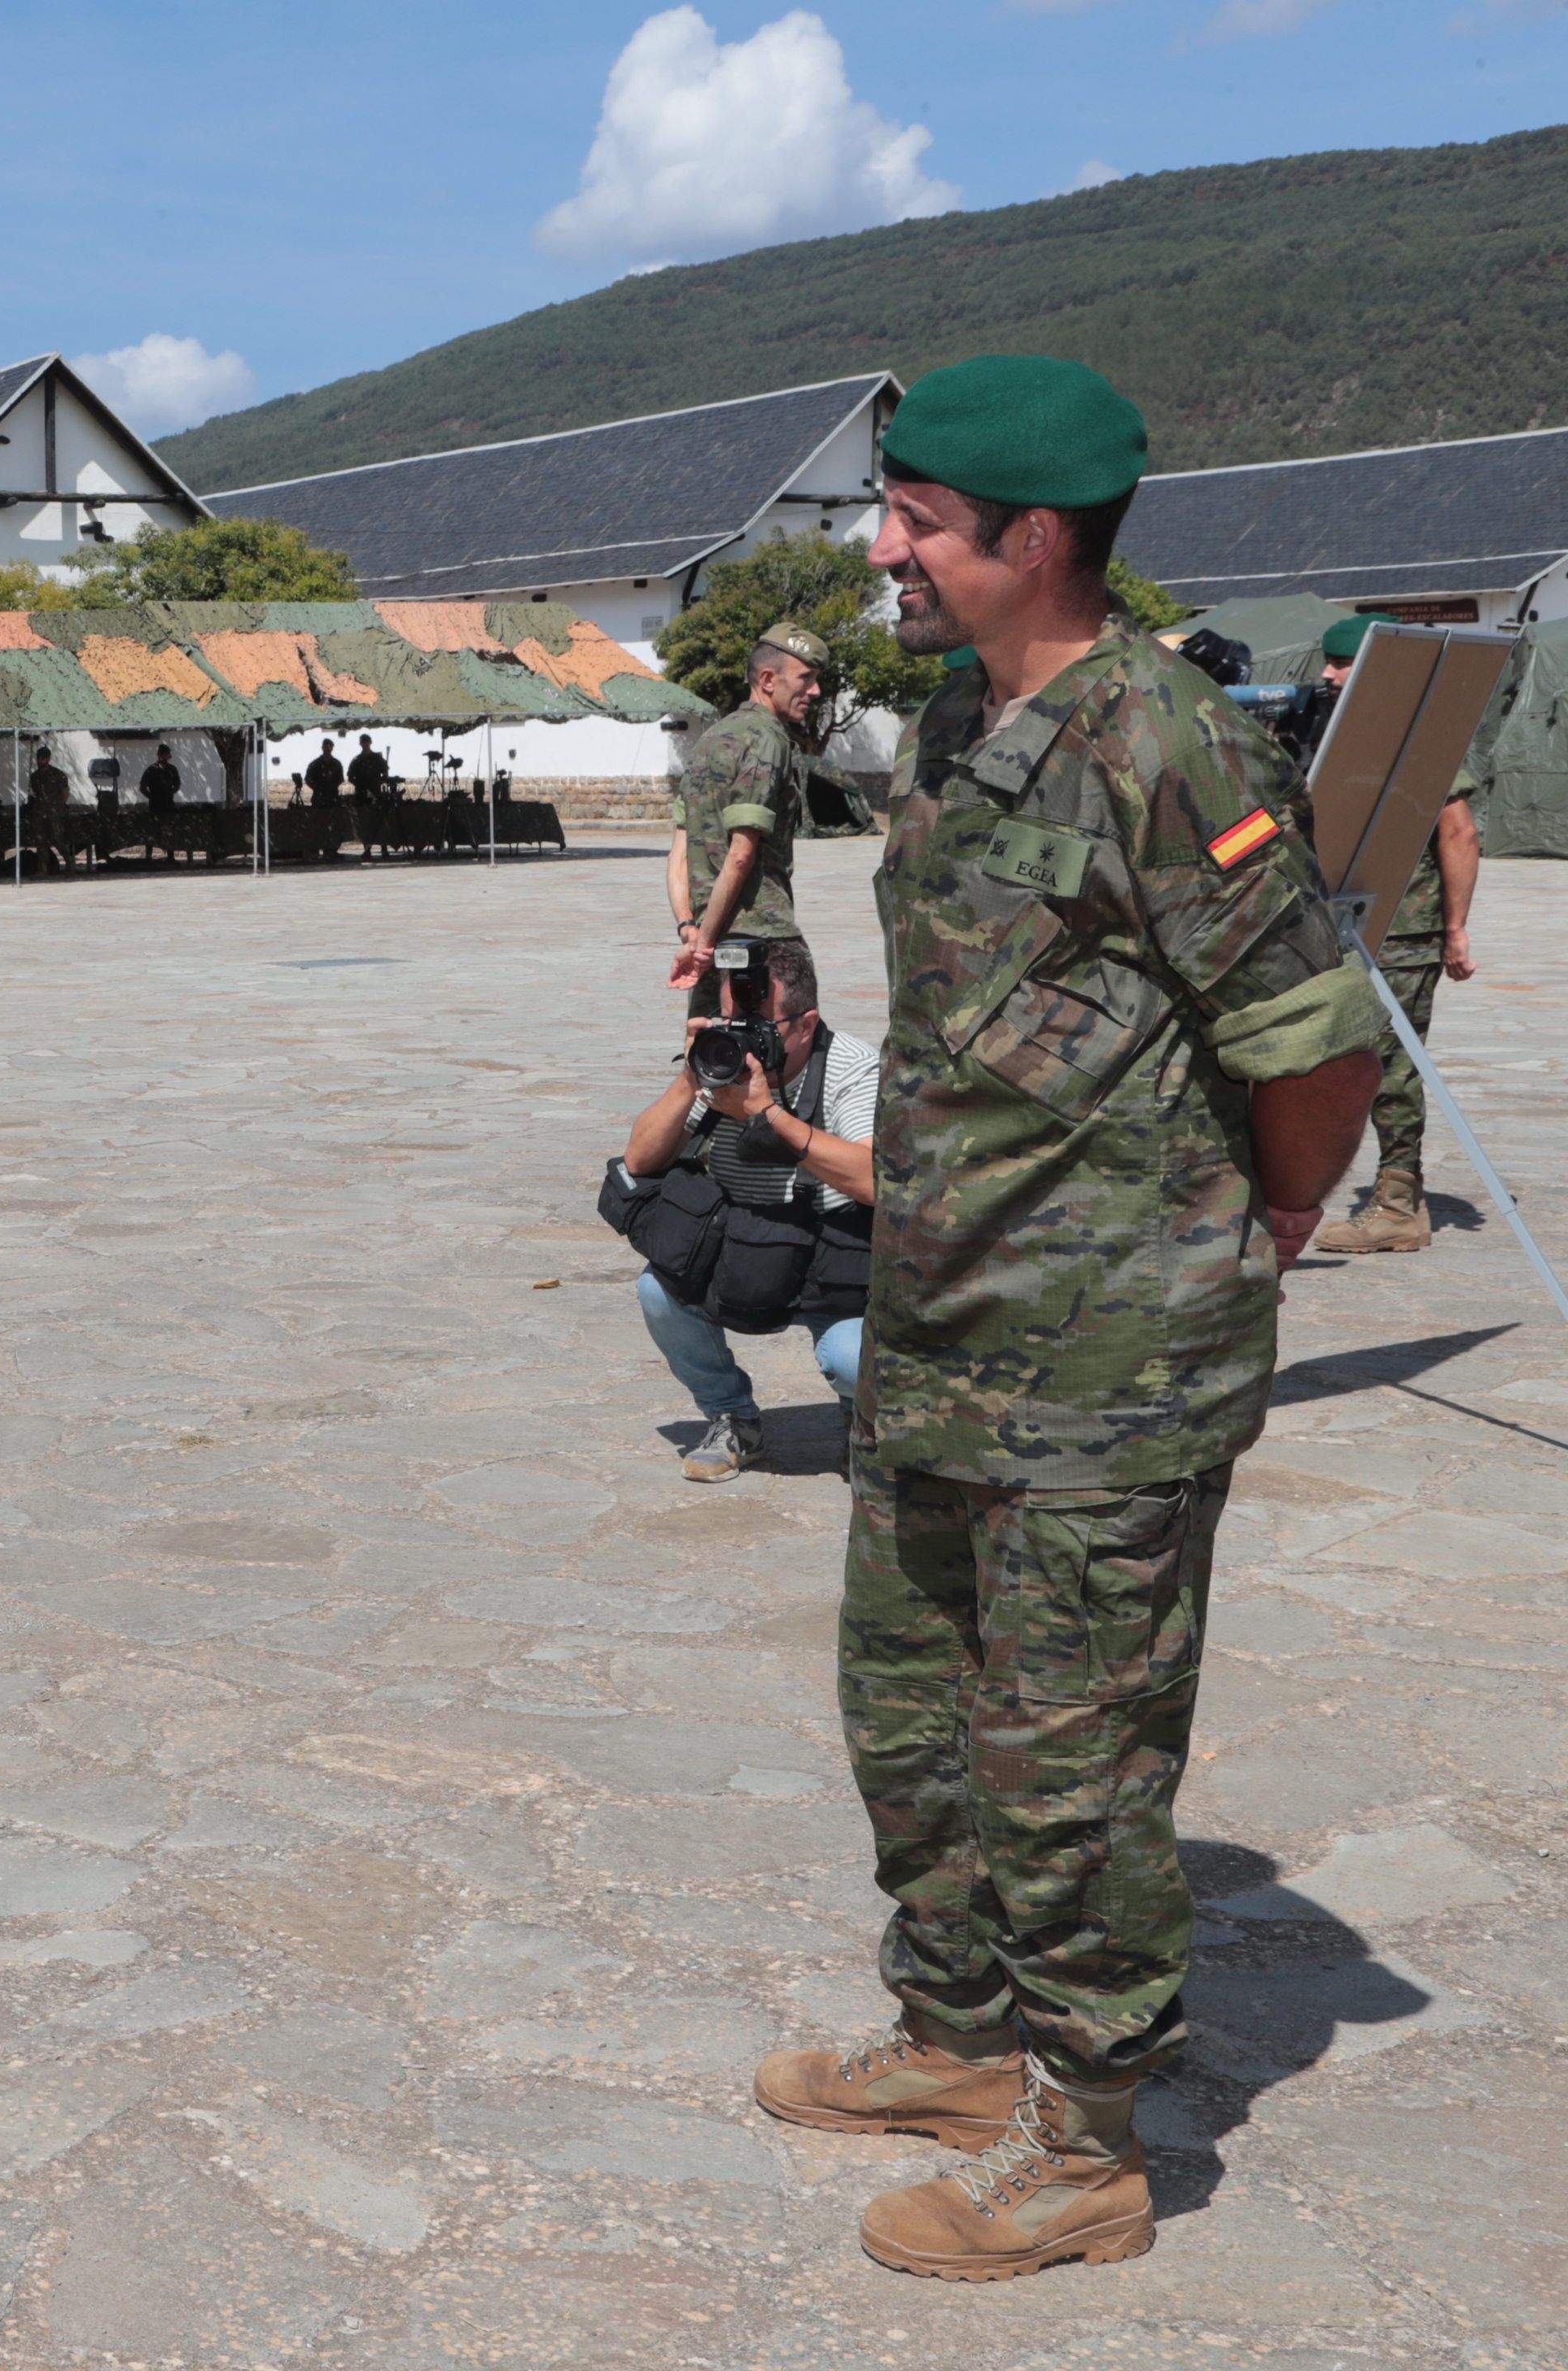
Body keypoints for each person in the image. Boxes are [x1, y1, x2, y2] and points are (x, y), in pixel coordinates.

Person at [751, 357, 1381, 2282]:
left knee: (1074, 1764)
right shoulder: (963, 717)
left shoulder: (1174, 745)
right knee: (909, 1711)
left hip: (1110, 1361)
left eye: (918, 520)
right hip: (945, 1318)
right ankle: (957, 2040)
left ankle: (1090, 2148)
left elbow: (1315, 1043)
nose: (884, 547)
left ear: (1033, 539)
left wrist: (1274, 1216)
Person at [614, 938, 874, 1480]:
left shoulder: (852, 1067)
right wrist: (692, 1076)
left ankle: (863, 1419)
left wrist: (768, 1115)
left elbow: (875, 1180)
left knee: (853, 1360)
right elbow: (639, 1159)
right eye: (732, 1022)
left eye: (758, 1027)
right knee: (658, 1290)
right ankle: (732, 1417)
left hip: (834, 1267)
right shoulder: (720, 1065)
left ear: (805, 1025)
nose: (742, 1040)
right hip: (746, 1252)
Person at [1307, 613, 1483, 1255]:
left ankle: (1399, 1205)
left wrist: (1455, 928)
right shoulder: (1335, 729)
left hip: (1402, 931)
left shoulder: (1418, 736)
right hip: (1345, 923)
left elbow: (1459, 832)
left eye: (1341, 663)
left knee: (1391, 1066)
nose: (1327, 673)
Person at [668, 622, 831, 1003]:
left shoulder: (708, 740)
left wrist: (690, 930)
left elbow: (679, 854)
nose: (816, 691)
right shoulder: (767, 739)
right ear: (768, 680)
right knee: (794, 1032)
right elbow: (741, 855)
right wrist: (704, 945)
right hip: (761, 931)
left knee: (708, 1038)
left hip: (709, 931)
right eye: (806, 678)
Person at [138, 741, 183, 861]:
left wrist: (170, 793)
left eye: (168, 754)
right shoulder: (151, 770)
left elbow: (177, 785)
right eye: (165, 754)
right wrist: (152, 797)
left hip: (168, 804)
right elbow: (142, 787)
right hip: (155, 805)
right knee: (152, 829)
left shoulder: (172, 769)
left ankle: (170, 856)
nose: (167, 757)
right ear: (160, 755)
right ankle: (149, 856)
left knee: (169, 830)